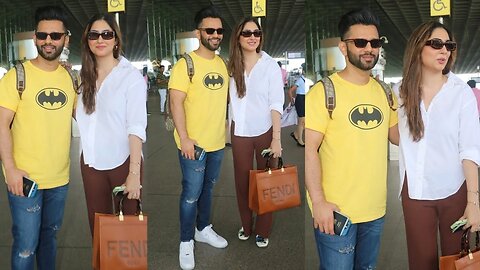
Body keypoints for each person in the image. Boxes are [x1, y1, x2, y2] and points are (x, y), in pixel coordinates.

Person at [305, 8, 398, 269]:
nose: (369, 48)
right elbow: (309, 150)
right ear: (343, 48)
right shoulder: (323, 93)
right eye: (360, 42)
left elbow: (398, 137)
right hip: (336, 211)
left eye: (375, 43)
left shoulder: (386, 93)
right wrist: (319, 202)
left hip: (375, 210)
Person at [395, 21, 480, 270]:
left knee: (458, 260)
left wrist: (473, 203)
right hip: (416, 192)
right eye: (436, 44)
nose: (444, 50)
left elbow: (470, 149)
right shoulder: (401, 92)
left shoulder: (461, 93)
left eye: (449, 45)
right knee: (422, 262)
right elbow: (393, 134)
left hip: (455, 190)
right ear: (418, 47)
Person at [0, 6, 76, 269]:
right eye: (43, 35)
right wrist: (10, 168)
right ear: (35, 37)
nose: (48, 41)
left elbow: (88, 119)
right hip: (26, 179)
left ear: (65, 39)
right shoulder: (17, 76)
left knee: (49, 238)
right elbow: (2, 124)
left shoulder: (69, 77)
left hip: (60, 178)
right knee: (25, 245)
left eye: (55, 36)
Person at [168, 5, 228, 270]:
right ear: (198, 32)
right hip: (193, 144)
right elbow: (175, 102)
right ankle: (185, 241)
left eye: (219, 30)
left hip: (217, 142)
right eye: (210, 30)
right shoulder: (186, 64)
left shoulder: (221, 63)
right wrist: (185, 138)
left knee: (208, 189)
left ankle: (203, 229)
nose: (215, 34)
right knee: (191, 193)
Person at [76, 13, 147, 235]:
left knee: (128, 229)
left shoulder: (130, 77)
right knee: (98, 227)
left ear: (116, 39)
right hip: (91, 161)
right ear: (87, 41)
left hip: (123, 160)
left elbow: (136, 126)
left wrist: (134, 174)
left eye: (106, 34)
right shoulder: (83, 77)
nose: (100, 39)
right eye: (94, 35)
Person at [228, 17, 284, 248]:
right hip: (239, 131)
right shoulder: (231, 65)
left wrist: (277, 139)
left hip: (265, 131)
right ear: (238, 38)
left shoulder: (270, 65)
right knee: (242, 183)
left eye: (257, 33)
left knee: (266, 184)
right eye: (247, 33)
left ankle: (263, 229)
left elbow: (276, 103)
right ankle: (246, 224)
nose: (253, 37)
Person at [288, 63, 307, 147]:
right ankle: (300, 140)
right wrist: (292, 100)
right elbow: (290, 91)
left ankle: (296, 134)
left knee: (303, 121)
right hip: (300, 100)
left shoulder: (306, 80)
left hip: (304, 99)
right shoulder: (300, 80)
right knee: (302, 121)